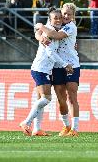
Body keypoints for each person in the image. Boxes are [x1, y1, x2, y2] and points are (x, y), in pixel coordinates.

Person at [19, 8, 73, 136]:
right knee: (46, 98)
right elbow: (50, 52)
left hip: (44, 69)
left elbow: (39, 33)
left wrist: (40, 30)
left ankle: (37, 129)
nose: (59, 20)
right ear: (50, 19)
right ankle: (26, 122)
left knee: (41, 99)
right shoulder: (50, 31)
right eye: (56, 18)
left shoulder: (51, 30)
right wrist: (65, 65)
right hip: (40, 69)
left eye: (60, 17)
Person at [35, 3, 80, 137]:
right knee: (61, 99)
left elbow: (55, 35)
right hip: (56, 66)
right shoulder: (56, 22)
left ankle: (75, 129)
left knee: (72, 97)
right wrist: (40, 36)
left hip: (71, 65)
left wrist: (40, 26)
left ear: (73, 16)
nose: (65, 16)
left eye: (69, 14)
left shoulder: (71, 27)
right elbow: (39, 33)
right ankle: (66, 126)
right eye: (64, 13)